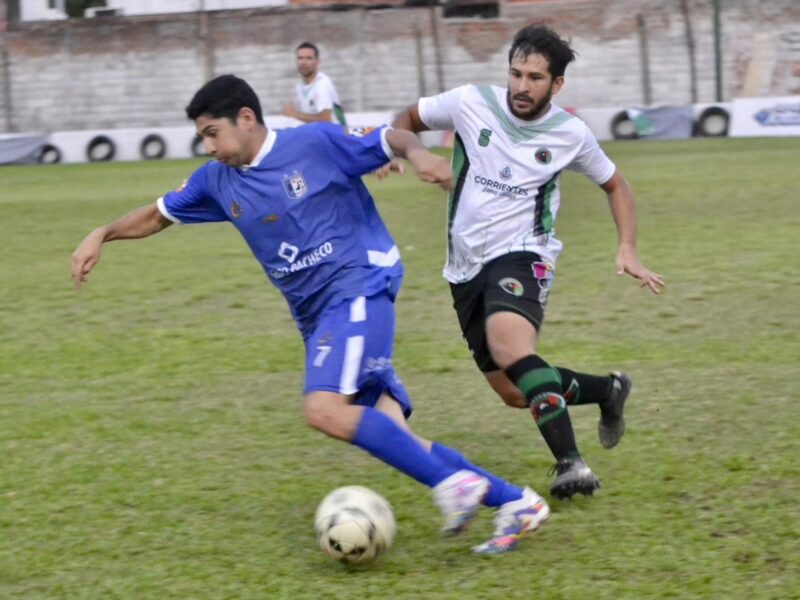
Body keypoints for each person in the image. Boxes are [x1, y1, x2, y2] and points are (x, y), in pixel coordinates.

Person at [71, 74, 549, 555]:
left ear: (246, 118)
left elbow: (392, 137)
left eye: (212, 132)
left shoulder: (315, 143)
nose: (208, 145)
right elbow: (158, 214)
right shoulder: (215, 180)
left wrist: (422, 156)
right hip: (317, 317)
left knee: (323, 410)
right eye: (203, 137)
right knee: (391, 431)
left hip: (359, 286)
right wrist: (102, 232)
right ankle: (515, 503)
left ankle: (453, 485)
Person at [390, 24, 665, 500]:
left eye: (535, 77)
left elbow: (616, 185)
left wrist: (627, 247)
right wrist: (412, 154)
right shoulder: (470, 101)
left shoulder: (570, 134)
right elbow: (404, 121)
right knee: (517, 391)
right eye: (516, 73)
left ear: (556, 84)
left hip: (524, 253)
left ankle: (571, 464)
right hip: (464, 266)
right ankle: (608, 390)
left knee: (510, 347)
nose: (522, 86)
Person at [281, 42, 347, 125]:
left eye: (309, 58)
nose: (303, 62)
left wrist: (294, 114)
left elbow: (325, 120)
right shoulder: (299, 86)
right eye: (300, 58)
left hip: (335, 135)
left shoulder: (322, 84)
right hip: (317, 135)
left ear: (317, 62)